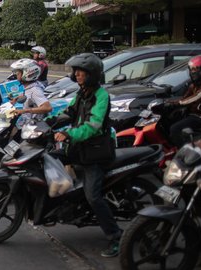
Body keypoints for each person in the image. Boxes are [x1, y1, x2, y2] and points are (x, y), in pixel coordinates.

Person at [53, 53, 122, 258]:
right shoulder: (82, 93)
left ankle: (115, 236)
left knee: (93, 196)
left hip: (95, 153)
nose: (77, 75)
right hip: (79, 149)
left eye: (80, 72)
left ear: (91, 74)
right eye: (76, 71)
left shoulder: (102, 96)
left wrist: (68, 133)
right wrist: (48, 122)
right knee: (50, 158)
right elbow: (69, 112)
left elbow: (93, 126)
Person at [168, 55, 201, 147]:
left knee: (175, 129)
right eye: (191, 69)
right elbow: (184, 98)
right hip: (191, 115)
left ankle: (183, 152)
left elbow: (196, 97)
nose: (192, 72)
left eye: (195, 69)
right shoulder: (193, 85)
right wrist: (168, 103)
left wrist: (178, 103)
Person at [10, 59, 52, 123]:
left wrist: (24, 111)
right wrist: (19, 97)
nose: (16, 75)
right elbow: (30, 97)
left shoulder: (35, 90)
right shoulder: (31, 86)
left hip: (34, 125)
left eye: (18, 73)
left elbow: (48, 107)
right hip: (27, 122)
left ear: (27, 74)